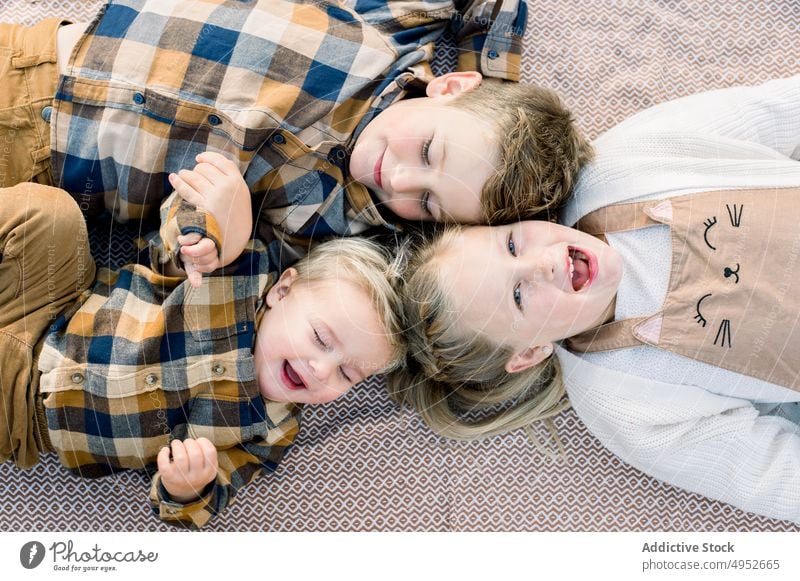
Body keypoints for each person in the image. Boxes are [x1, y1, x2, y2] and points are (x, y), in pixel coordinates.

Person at [392, 75, 800, 524]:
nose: (539, 265)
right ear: (529, 353)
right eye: (517, 296)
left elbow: (775, 113)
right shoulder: (625, 405)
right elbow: (771, 474)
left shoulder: (622, 164)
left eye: (511, 245)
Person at [1, 0, 591, 262]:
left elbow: (182, 262)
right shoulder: (389, 32)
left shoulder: (333, 226)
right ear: (448, 90)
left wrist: (216, 244)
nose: (401, 177)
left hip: (47, 174)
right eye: (430, 150)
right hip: (38, 56)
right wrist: (492, 80)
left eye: (429, 202)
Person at [1, 152, 407, 529]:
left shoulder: (270, 432)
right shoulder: (239, 268)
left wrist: (187, 487)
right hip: (54, 301)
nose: (321, 369)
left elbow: (203, 503)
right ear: (283, 291)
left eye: (347, 374)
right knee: (51, 216)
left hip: (24, 416)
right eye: (319, 338)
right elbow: (185, 205)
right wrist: (203, 238)